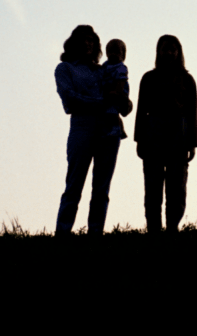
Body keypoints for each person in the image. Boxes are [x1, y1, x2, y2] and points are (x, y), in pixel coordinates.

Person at [54, 25, 133, 236]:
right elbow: (70, 101)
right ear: (73, 44)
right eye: (83, 40)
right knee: (74, 185)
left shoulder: (105, 69)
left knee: (101, 189)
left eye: (92, 40)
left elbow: (123, 99)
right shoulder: (66, 68)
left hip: (110, 130)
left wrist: (125, 103)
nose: (88, 43)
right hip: (83, 128)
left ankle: (95, 234)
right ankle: (62, 233)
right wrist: (103, 101)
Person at [134, 35, 197, 233]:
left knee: (177, 187)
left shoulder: (187, 79)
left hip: (178, 135)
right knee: (152, 187)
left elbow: (192, 112)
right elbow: (141, 111)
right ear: (158, 52)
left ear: (178, 52)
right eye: (165, 49)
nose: (169, 53)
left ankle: (172, 229)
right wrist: (139, 139)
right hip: (153, 134)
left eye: (173, 49)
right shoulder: (148, 78)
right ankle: (154, 229)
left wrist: (192, 142)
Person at [101, 39, 130, 139]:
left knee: (113, 112)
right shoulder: (105, 65)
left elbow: (121, 82)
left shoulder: (121, 67)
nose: (114, 54)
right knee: (106, 113)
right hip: (107, 92)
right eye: (110, 51)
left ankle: (117, 129)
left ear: (123, 55)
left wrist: (116, 92)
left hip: (117, 92)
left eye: (117, 52)